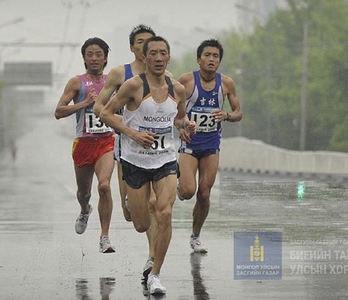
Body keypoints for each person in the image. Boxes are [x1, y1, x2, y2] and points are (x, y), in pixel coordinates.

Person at [100, 36, 196, 295]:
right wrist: (133, 134)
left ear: (168, 57)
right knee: (142, 223)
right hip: (134, 161)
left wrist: (186, 125)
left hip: (164, 159)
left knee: (164, 213)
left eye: (163, 53)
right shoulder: (133, 86)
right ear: (144, 57)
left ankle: (155, 274)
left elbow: (179, 116)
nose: (158, 57)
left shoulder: (178, 89)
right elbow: (106, 113)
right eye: (152, 53)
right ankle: (133, 201)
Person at [92, 24, 160, 278]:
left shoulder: (164, 75)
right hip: (126, 151)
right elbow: (100, 108)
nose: (146, 47)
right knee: (132, 215)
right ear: (133, 47)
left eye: (150, 43)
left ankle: (152, 259)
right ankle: (132, 204)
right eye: (140, 42)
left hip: (156, 152)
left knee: (155, 204)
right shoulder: (120, 73)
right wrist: (125, 127)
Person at [176, 39, 242, 253]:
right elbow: (170, 109)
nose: (211, 59)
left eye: (215, 56)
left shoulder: (227, 84)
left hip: (212, 144)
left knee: (204, 193)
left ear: (219, 61)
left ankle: (195, 236)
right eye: (207, 55)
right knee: (188, 191)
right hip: (190, 143)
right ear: (198, 59)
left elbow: (238, 112)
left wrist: (227, 115)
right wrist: (181, 125)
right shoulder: (186, 81)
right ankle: (179, 187)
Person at [54, 37, 116, 253]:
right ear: (84, 58)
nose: (94, 58)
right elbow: (58, 111)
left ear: (105, 58)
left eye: (99, 54)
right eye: (90, 54)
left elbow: (127, 108)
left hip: (106, 142)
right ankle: (84, 209)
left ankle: (105, 237)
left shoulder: (113, 82)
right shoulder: (76, 82)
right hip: (83, 143)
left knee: (105, 185)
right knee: (84, 193)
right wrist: (85, 104)